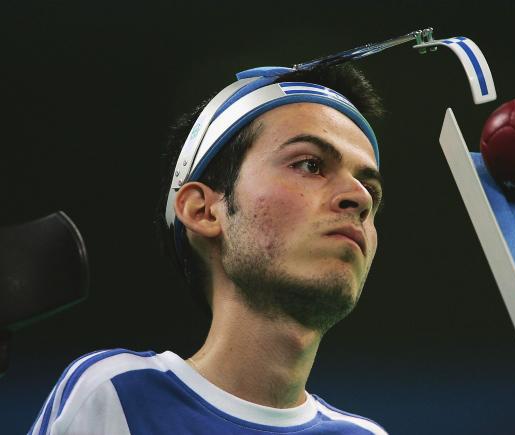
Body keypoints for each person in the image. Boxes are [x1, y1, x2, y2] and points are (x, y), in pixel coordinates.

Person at [29, 63, 387, 434]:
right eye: (310, 164)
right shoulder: (118, 396)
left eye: (371, 191)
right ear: (203, 211)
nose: (358, 198)